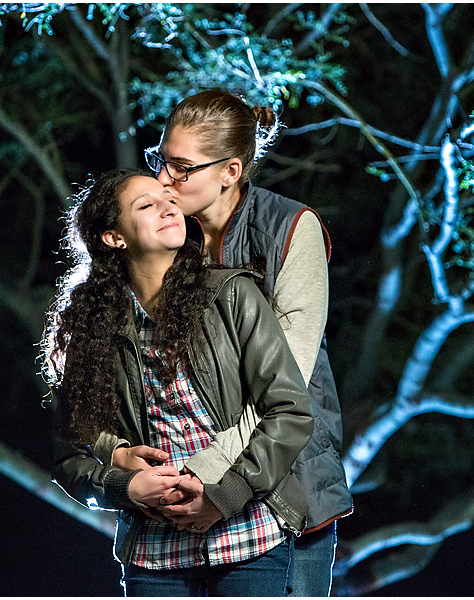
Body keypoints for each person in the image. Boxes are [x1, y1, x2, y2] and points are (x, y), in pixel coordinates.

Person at [98, 90, 354, 596]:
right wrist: (124, 459)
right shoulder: (168, 235)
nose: (165, 179)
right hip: (172, 506)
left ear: (230, 171)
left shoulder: (290, 229)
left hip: (283, 482)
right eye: (161, 161)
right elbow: (120, 369)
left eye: (181, 167)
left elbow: (288, 382)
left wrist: (208, 475)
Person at [42, 168, 314, 596]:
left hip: (249, 535)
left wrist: (224, 495)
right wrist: (125, 485)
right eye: (146, 205)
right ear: (115, 238)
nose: (169, 206)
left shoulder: (231, 294)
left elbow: (290, 410)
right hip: (154, 555)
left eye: (168, 199)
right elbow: (68, 456)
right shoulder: (93, 331)